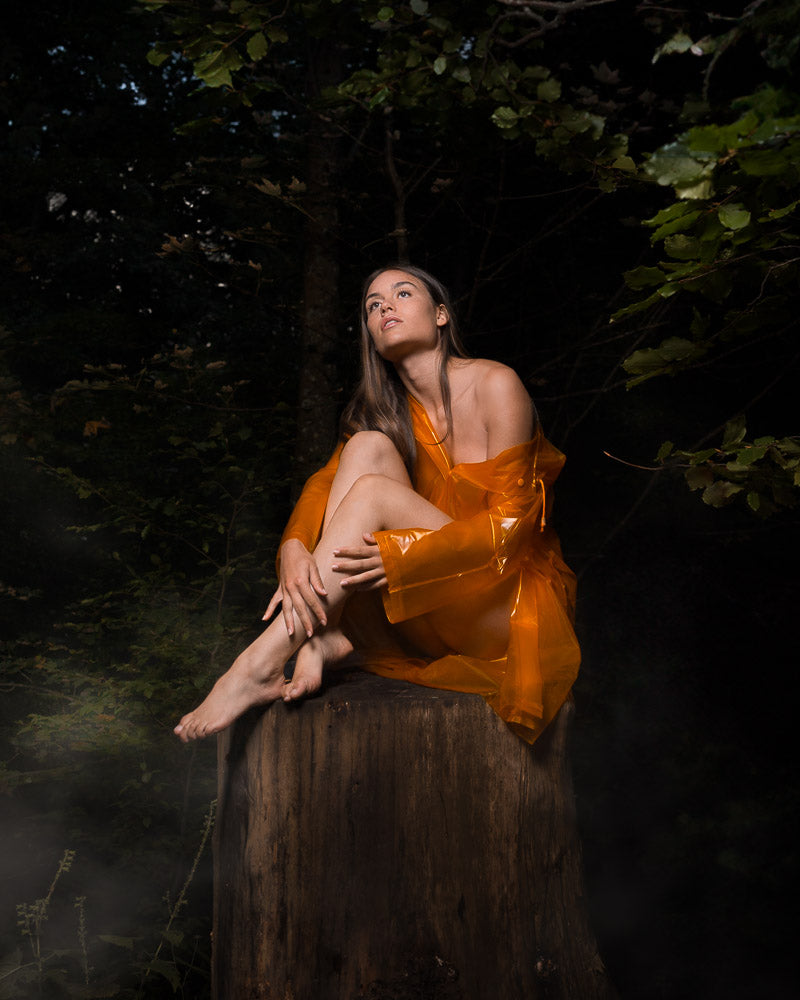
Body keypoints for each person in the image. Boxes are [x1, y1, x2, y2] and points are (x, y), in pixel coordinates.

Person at [174, 265, 580, 744]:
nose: (385, 305)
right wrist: (293, 546)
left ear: (442, 315)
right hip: (430, 613)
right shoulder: (384, 413)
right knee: (365, 448)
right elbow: (323, 485)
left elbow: (513, 528)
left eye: (403, 293)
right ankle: (326, 631)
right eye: (373, 304)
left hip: (505, 612)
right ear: (369, 332)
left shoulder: (496, 384)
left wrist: (406, 554)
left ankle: (257, 664)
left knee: (373, 491)